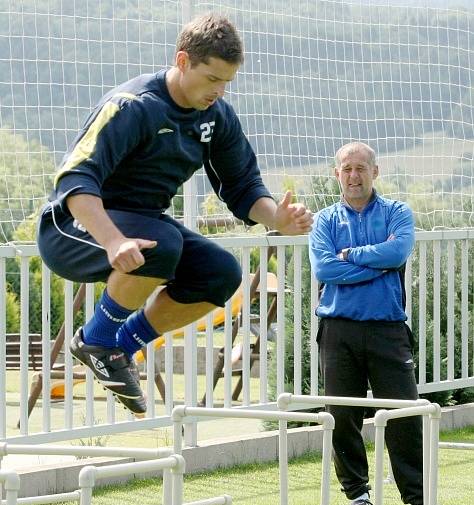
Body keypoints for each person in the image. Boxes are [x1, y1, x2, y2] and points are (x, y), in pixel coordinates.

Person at [37, 14, 313, 418]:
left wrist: (277, 219)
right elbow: (75, 181)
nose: (217, 91)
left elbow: (242, 185)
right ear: (182, 61)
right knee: (162, 244)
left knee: (220, 273)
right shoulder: (132, 107)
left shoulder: (216, 117)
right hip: (72, 227)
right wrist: (114, 240)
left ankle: (120, 347)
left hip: (144, 227)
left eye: (227, 83)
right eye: (211, 78)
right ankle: (95, 339)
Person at [309, 142, 447, 505]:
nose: (354, 176)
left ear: (375, 171)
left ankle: (420, 499)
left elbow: (397, 253)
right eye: (347, 169)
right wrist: (376, 263)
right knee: (341, 415)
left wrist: (351, 255)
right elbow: (325, 270)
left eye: (361, 168)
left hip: (387, 328)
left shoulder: (397, 213)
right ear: (337, 174)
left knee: (404, 412)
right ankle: (357, 497)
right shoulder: (324, 221)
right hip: (338, 330)